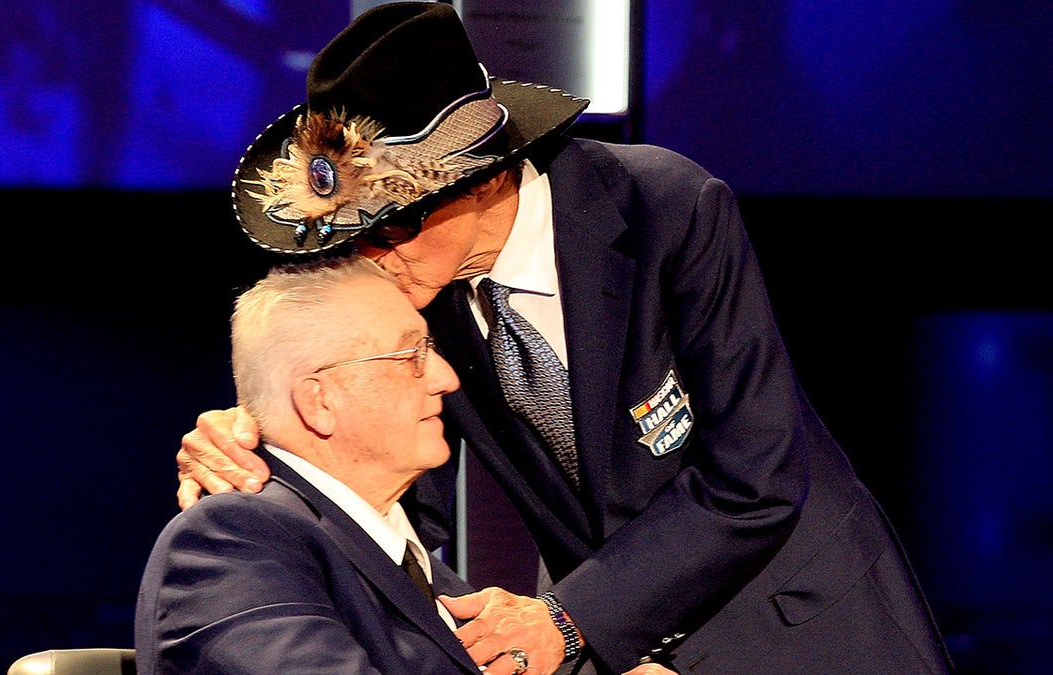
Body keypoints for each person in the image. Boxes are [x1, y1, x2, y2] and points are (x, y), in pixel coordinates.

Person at [174, 3, 953, 673]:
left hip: (800, 625)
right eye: (353, 230)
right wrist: (261, 444)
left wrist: (568, 620)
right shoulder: (420, 292)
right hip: (623, 644)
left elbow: (756, 475)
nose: (373, 251)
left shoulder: (665, 209)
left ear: (480, 179)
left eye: (395, 220)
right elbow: (399, 496)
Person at [137, 256, 671, 675]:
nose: (444, 377)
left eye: (432, 349)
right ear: (319, 400)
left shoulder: (421, 571)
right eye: (409, 355)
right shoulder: (232, 542)